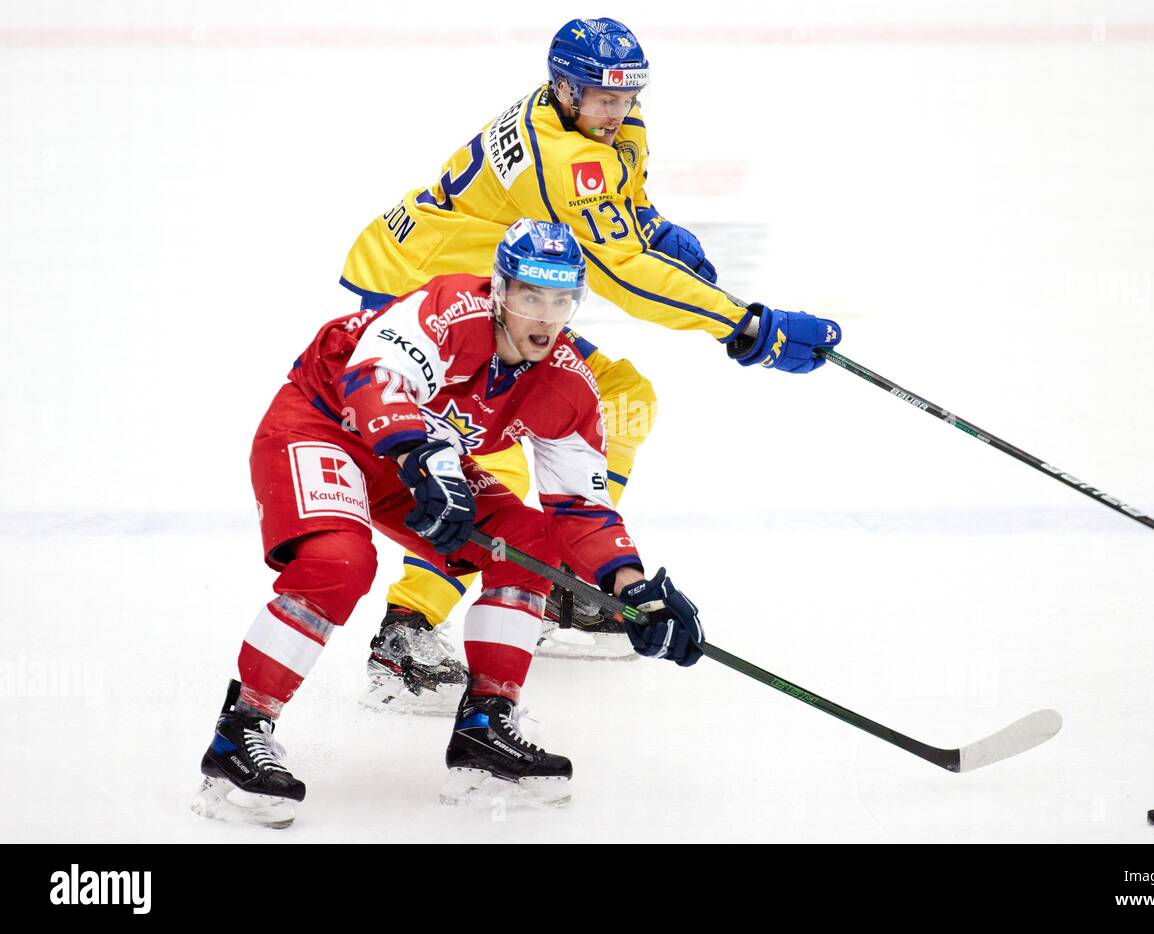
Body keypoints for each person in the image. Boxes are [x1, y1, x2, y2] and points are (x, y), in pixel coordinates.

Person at [343, 17, 841, 704]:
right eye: (603, 97)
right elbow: (624, 278)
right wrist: (745, 325)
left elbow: (620, 213)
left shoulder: (595, 123)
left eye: (627, 95)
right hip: (422, 297)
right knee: (489, 460)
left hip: (493, 293)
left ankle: (568, 588)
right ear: (564, 87)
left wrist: (653, 225)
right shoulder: (559, 156)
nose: (618, 111)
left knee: (620, 397)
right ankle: (405, 631)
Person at [192, 219, 704, 828]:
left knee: (529, 542)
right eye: (529, 296)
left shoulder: (566, 384)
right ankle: (241, 731)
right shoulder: (450, 307)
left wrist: (632, 590)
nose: (544, 317)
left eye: (561, 299)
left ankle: (487, 725)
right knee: (339, 562)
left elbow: (581, 509)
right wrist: (421, 460)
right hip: (326, 422)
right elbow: (370, 379)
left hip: (418, 461)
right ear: (499, 290)